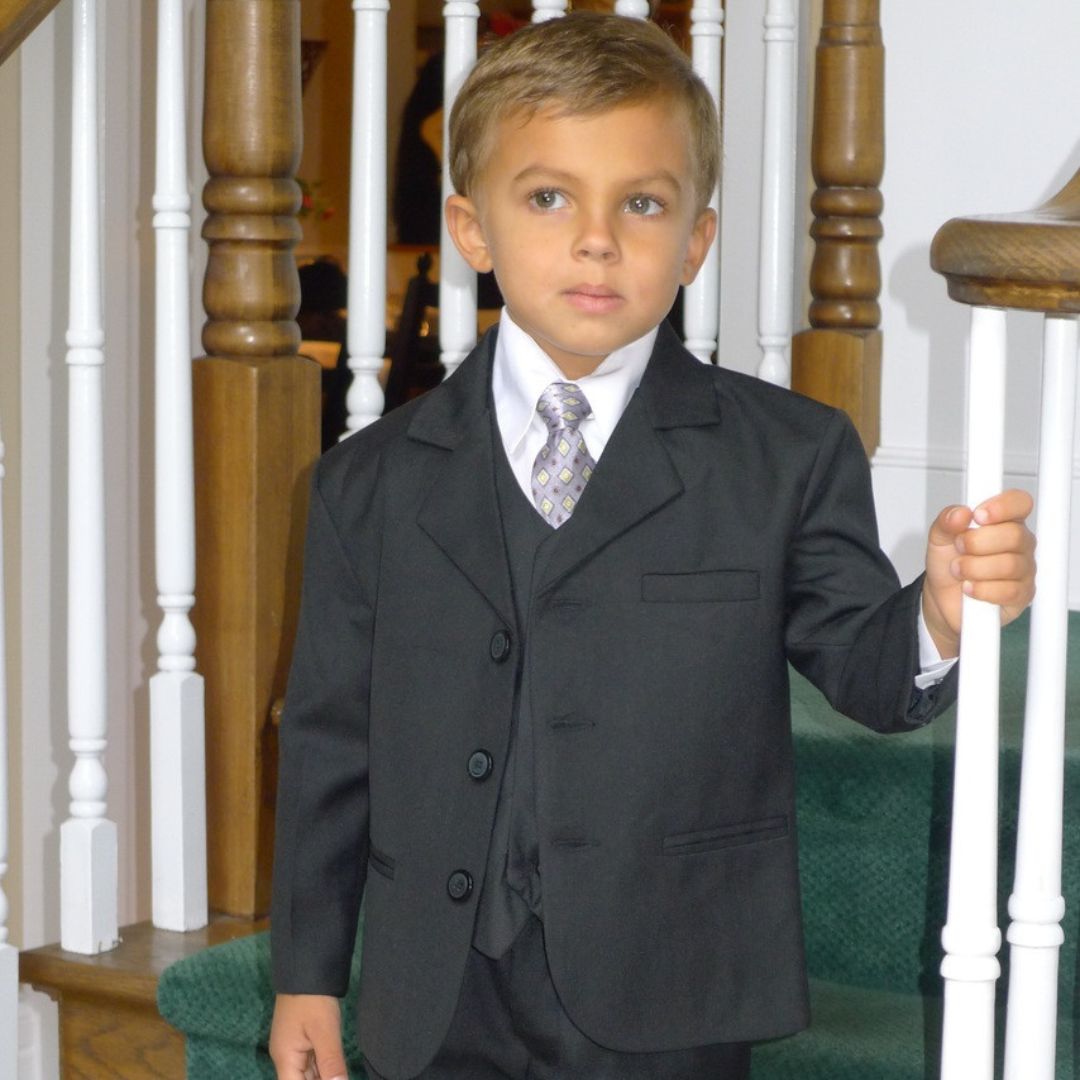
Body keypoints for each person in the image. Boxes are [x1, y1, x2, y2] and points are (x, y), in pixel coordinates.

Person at [268, 14, 1036, 1080]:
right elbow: (327, 746)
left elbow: (866, 670)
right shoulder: (367, 483)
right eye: (548, 197)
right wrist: (306, 972)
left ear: (697, 239)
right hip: (439, 991)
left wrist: (940, 614)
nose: (597, 238)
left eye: (641, 202)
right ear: (471, 229)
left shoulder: (787, 455)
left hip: (672, 984)